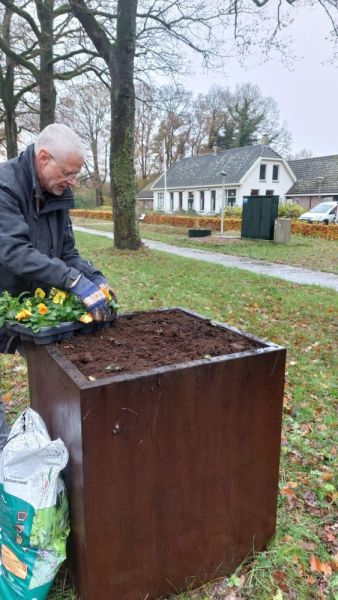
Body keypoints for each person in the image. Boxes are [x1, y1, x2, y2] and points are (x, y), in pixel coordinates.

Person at [0, 123, 116, 449]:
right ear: (43, 158)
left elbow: (67, 252)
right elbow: (15, 252)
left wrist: (96, 279)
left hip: (28, 298)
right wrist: (72, 281)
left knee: (52, 361)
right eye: (68, 173)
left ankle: (59, 438)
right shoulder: (4, 187)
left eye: (76, 175)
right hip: (3, 289)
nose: (73, 183)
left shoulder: (58, 193)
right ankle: (7, 463)